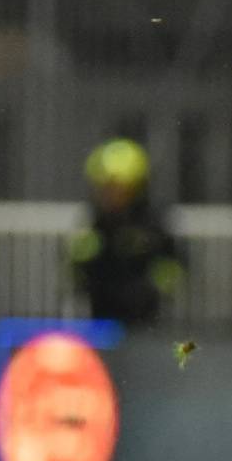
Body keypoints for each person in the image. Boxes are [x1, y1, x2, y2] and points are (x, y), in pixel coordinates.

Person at [70, 137, 184, 326]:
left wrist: (149, 289)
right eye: (104, 187)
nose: (110, 195)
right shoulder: (94, 224)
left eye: (118, 188)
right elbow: (77, 272)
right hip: (101, 320)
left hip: (145, 322)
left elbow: (174, 266)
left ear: (136, 187)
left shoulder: (153, 224)